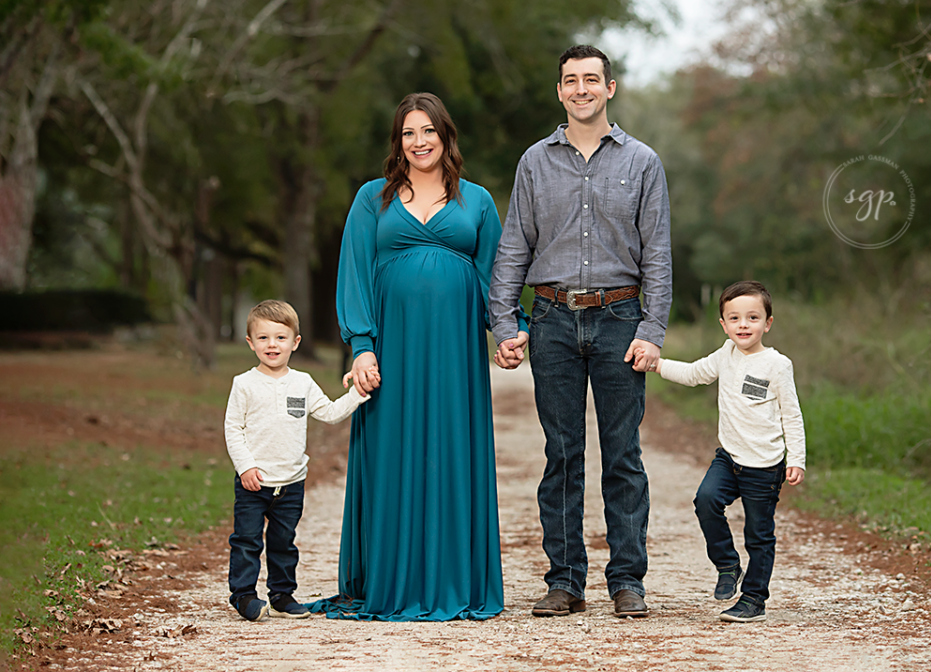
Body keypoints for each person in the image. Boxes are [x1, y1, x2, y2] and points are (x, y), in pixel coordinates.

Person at [314, 92, 524, 621]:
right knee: (393, 454)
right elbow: (355, 274)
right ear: (397, 142)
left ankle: (455, 579)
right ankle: (391, 580)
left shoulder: (475, 201)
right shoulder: (372, 199)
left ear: (445, 136)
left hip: (455, 354)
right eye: (408, 133)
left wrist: (508, 332)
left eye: (428, 130)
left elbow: (495, 278)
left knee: (452, 449)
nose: (419, 141)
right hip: (394, 351)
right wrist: (361, 347)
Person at [489, 45, 672, 619]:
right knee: (562, 454)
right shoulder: (534, 162)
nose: (581, 88)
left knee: (623, 455)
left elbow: (658, 254)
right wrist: (503, 322)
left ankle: (627, 581)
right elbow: (514, 245)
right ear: (560, 90)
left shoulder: (642, 161)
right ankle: (565, 580)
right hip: (551, 320)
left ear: (610, 88)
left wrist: (653, 329)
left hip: (621, 319)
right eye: (570, 80)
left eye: (592, 79)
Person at [652, 280, 806, 623]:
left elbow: (791, 414)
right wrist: (657, 364)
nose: (743, 325)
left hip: (765, 466)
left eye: (753, 317)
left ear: (767, 323)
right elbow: (693, 373)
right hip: (729, 459)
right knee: (705, 501)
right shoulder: (726, 355)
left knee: (759, 535)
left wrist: (796, 459)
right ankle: (726, 564)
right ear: (723, 324)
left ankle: (753, 599)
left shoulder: (777, 365)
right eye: (734, 318)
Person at [224, 300, 370, 622]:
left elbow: (330, 413)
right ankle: (244, 595)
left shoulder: (302, 382)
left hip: (291, 483)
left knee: (283, 542)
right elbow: (233, 429)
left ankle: (282, 595)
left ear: (295, 342)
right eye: (263, 338)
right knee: (247, 541)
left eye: (280, 337)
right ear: (250, 342)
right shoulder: (244, 384)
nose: (272, 345)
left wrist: (357, 393)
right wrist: (245, 466)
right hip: (255, 481)